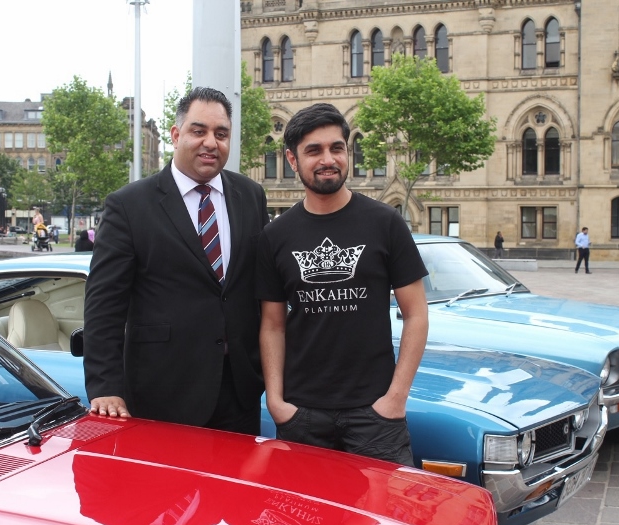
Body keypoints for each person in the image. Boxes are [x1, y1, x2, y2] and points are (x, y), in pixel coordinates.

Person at [83, 87, 269, 435]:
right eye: (199, 131)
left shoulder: (250, 196)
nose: (210, 142)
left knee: (234, 490)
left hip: (238, 392)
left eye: (221, 134)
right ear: (176, 134)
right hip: (163, 391)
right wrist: (105, 386)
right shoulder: (129, 206)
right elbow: (104, 304)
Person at [256, 103, 429, 466]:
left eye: (337, 148)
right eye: (313, 150)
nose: (328, 159)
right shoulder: (275, 236)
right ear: (292, 159)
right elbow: (272, 325)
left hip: (376, 416)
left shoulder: (386, 223)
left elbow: (416, 313)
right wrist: (277, 402)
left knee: (385, 521)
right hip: (302, 415)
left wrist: (396, 398)